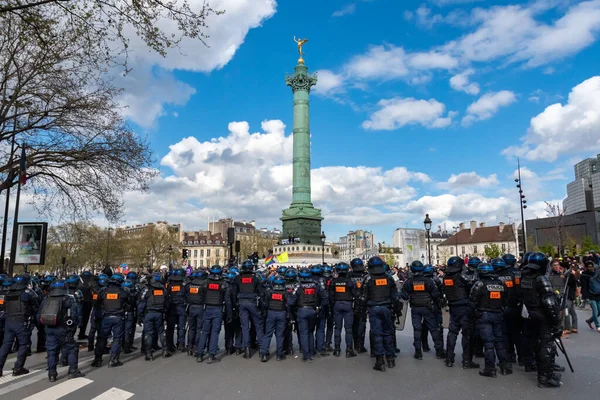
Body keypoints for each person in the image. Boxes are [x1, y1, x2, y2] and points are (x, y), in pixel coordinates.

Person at [521, 252, 562, 388]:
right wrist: (556, 322)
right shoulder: (540, 279)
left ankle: (545, 373)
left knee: (539, 344)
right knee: (547, 346)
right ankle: (545, 377)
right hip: (542, 315)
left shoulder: (526, 277)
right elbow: (549, 302)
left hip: (533, 314)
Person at [469, 262, 511, 378]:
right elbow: (506, 299)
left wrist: (475, 314)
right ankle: (505, 367)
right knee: (499, 342)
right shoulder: (500, 283)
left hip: (484, 315)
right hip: (497, 314)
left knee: (489, 343)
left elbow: (472, 302)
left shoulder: (479, 284)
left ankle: (490, 369)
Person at [38, 279, 85, 381]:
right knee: (72, 348)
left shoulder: (46, 299)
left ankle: (52, 374)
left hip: (49, 329)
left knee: (51, 351)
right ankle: (73, 371)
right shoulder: (68, 299)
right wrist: (73, 327)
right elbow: (74, 315)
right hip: (63, 329)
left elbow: (38, 316)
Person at [401, 260, 445, 361]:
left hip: (415, 308)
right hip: (427, 307)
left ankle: (418, 352)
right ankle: (439, 351)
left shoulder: (409, 281)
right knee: (433, 329)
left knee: (417, 330)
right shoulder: (428, 281)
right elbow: (436, 294)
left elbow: (404, 296)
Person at [363, 256, 400, 371]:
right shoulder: (388, 278)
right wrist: (397, 310)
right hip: (387, 308)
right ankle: (390, 359)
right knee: (388, 333)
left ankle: (380, 361)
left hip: (374, 308)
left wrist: (362, 309)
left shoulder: (368, 278)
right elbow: (395, 296)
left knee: (377, 334)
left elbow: (363, 296)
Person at [441, 256, 479, 369]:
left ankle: (449, 359)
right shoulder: (461, 276)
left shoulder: (445, 277)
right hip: (464, 307)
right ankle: (467, 361)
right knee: (467, 334)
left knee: (452, 332)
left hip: (453, 306)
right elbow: (471, 287)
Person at [0, 274, 39, 376]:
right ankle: (18, 367)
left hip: (9, 321)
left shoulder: (8, 293)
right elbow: (36, 304)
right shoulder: (27, 293)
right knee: (24, 344)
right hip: (22, 321)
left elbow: (4, 306)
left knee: (6, 344)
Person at [287, 267, 327, 363]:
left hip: (302, 311)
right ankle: (312, 352)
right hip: (313, 311)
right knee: (310, 332)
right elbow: (325, 297)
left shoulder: (298, 286)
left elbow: (290, 302)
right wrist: (320, 306)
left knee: (304, 333)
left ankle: (306, 356)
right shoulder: (316, 284)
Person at [92, 274, 131, 367]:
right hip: (118, 318)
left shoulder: (103, 291)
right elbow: (130, 303)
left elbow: (96, 303)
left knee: (101, 338)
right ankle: (113, 360)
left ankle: (97, 359)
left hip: (106, 317)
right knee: (117, 339)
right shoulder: (123, 291)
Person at [197, 265, 232, 364]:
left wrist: (204, 301)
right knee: (214, 332)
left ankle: (199, 354)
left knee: (204, 332)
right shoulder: (223, 284)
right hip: (218, 309)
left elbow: (200, 293)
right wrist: (229, 314)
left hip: (207, 308)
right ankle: (211, 355)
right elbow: (228, 300)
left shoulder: (206, 283)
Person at [233, 260, 264, 359]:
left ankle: (246, 348)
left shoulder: (238, 278)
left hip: (242, 303)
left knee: (245, 327)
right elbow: (261, 293)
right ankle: (262, 350)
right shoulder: (256, 279)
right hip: (253, 302)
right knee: (258, 326)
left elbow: (234, 292)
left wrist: (235, 304)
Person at [138, 272, 170, 361]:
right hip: (159, 313)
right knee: (161, 332)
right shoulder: (163, 289)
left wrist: (139, 316)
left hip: (148, 313)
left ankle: (148, 353)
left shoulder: (147, 290)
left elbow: (141, 303)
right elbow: (166, 302)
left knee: (148, 333)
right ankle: (165, 350)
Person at [498, 254, 523, 364]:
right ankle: (522, 357)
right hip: (516, 306)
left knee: (505, 333)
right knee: (517, 333)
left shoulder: (499, 274)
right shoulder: (517, 274)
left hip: (503, 307)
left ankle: (509, 355)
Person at [330, 262, 357, 358]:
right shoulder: (350, 282)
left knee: (337, 328)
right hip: (347, 304)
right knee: (348, 329)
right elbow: (355, 294)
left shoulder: (334, 281)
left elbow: (331, 295)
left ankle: (337, 349)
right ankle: (349, 350)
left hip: (337, 304)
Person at [260, 275, 288, 362]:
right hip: (282, 313)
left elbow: (264, 303)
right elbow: (288, 304)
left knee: (268, 334)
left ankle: (264, 354)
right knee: (280, 335)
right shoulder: (285, 292)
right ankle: (279, 355)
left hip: (271, 313)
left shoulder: (269, 292)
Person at [185, 269, 208, 356]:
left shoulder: (190, 285)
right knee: (199, 329)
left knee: (191, 328)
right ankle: (196, 347)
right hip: (200, 307)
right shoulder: (203, 285)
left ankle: (189, 346)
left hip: (191, 307)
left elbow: (185, 294)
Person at [310, 264, 330, 357]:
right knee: (320, 329)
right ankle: (320, 348)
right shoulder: (322, 280)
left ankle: (310, 349)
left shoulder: (308, 280)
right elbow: (325, 294)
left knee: (310, 329)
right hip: (320, 307)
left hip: (310, 306)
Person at [166, 268, 187, 352]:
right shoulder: (184, 284)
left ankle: (169, 344)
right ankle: (181, 344)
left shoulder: (169, 284)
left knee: (170, 327)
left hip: (171, 307)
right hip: (181, 307)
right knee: (181, 326)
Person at [349, 258, 368, 353]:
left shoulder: (349, 276)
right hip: (363, 302)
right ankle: (360, 345)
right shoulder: (366, 275)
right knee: (362, 324)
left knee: (353, 324)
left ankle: (354, 343)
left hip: (352, 301)